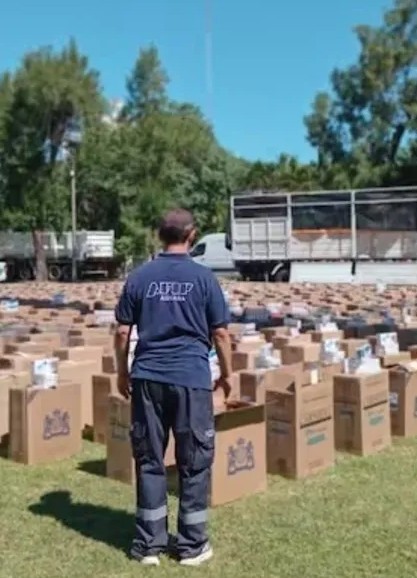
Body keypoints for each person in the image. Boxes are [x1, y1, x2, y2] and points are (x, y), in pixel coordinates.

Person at [114, 208, 232, 567]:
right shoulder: (204, 278)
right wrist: (228, 374)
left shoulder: (139, 277)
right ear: (192, 235)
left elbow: (122, 332)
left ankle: (148, 545)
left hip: (147, 378)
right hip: (191, 380)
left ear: (158, 236)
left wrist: (121, 373)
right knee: (194, 461)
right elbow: (221, 333)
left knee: (149, 459)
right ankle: (192, 546)